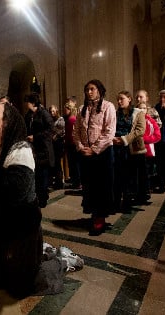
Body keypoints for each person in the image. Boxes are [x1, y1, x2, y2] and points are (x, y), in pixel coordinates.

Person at [0, 101, 43, 298]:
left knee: (19, 288)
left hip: (19, 229)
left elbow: (15, 191)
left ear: (6, 123)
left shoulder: (20, 149)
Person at [73, 79, 116, 236]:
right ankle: (95, 214)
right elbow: (76, 130)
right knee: (89, 186)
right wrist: (80, 147)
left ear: (99, 90)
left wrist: (94, 149)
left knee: (102, 186)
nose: (89, 92)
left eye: (92, 89)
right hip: (86, 153)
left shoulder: (108, 106)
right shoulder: (81, 109)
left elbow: (109, 131)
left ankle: (100, 218)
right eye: (87, 89)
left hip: (102, 154)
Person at [112, 91, 146, 212]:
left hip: (131, 149)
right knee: (116, 177)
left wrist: (124, 139)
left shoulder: (138, 113)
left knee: (128, 177)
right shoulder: (115, 113)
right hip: (116, 148)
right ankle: (115, 203)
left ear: (129, 99)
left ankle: (127, 203)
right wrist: (113, 139)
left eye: (121, 99)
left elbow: (140, 130)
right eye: (118, 99)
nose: (119, 101)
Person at [25, 93, 55, 208]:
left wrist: (36, 137)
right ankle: (39, 196)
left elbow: (51, 129)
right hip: (33, 149)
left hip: (44, 149)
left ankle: (43, 199)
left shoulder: (43, 113)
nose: (26, 104)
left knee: (43, 176)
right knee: (36, 175)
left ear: (32, 102)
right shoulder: (29, 115)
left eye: (27, 102)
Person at [137, 101, 161, 197]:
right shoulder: (135, 120)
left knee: (147, 173)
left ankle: (146, 192)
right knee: (139, 174)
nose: (142, 110)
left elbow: (157, 136)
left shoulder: (151, 121)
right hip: (137, 151)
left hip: (148, 151)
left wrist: (144, 139)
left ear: (147, 110)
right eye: (140, 108)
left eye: (144, 108)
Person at [63, 97, 81, 189]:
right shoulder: (69, 119)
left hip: (73, 144)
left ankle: (77, 182)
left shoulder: (72, 119)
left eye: (66, 109)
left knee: (75, 164)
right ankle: (75, 181)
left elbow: (74, 133)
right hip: (69, 144)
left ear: (70, 109)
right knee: (72, 164)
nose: (64, 111)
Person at [154, 89, 165, 193]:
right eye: (161, 97)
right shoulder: (156, 107)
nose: (162, 99)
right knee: (160, 161)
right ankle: (161, 183)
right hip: (159, 139)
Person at [48, 104, 65, 189]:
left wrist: (55, 136)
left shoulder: (60, 119)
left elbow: (62, 131)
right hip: (52, 144)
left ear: (56, 111)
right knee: (53, 163)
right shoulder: (50, 120)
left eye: (53, 111)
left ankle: (59, 183)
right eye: (51, 111)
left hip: (58, 144)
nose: (52, 113)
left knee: (58, 163)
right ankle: (56, 181)